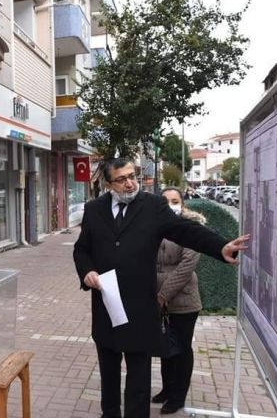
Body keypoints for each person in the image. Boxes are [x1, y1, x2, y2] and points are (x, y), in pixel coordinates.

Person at [73, 158, 249, 418]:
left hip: (141, 307)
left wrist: (219, 246)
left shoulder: (153, 206)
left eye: (132, 175)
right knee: (108, 371)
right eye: (121, 179)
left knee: (139, 376)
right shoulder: (94, 209)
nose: (130, 182)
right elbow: (82, 249)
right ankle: (109, 413)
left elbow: (185, 230)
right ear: (108, 184)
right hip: (106, 304)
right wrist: (87, 270)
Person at [152, 187, 205, 414]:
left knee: (182, 348)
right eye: (166, 201)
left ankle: (178, 396)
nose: (171, 204)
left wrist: (163, 294)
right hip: (157, 299)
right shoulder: (154, 226)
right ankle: (167, 389)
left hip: (183, 300)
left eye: (175, 200)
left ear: (182, 203)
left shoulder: (191, 228)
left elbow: (186, 267)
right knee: (165, 345)